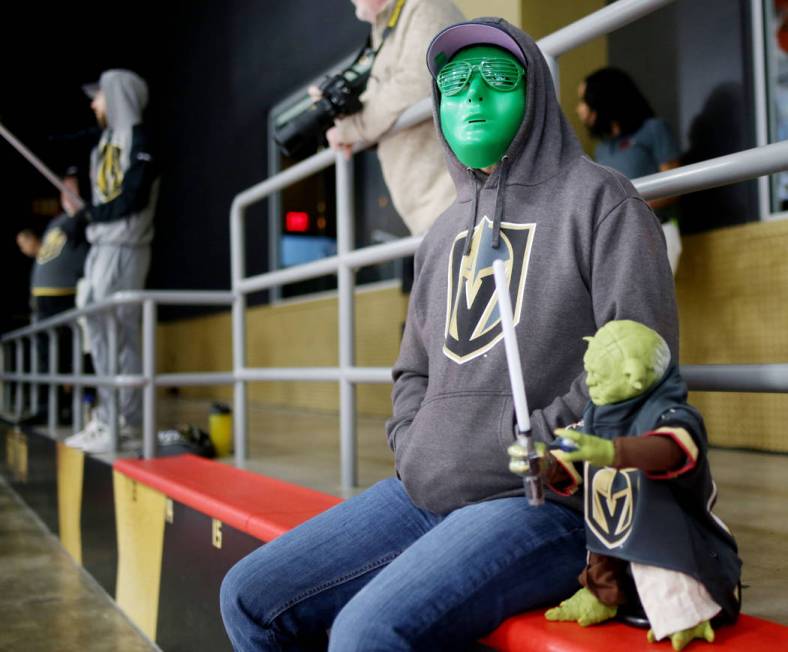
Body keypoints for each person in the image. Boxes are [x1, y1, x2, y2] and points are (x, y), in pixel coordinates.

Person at [220, 18, 677, 651]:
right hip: (422, 490)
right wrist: (417, 444)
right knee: (249, 595)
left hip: (544, 501)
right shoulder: (441, 234)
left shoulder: (604, 203)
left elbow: (640, 369)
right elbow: (412, 371)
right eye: (455, 85)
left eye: (497, 79)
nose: (473, 98)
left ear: (536, 91)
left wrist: (532, 448)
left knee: (366, 634)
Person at [509, 320, 741, 651]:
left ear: (633, 377)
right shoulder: (596, 414)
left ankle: (690, 613)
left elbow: (672, 449)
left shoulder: (672, 413)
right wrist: (543, 463)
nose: (589, 383)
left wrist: (609, 451)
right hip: (611, 523)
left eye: (598, 376)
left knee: (667, 573)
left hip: (666, 529)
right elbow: (570, 457)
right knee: (602, 554)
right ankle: (602, 596)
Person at [63, 69, 158, 453]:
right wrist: (84, 218)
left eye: (99, 96)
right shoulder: (101, 143)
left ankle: (127, 421)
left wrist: (93, 216)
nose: (94, 103)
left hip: (125, 248)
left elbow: (132, 196)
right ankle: (107, 416)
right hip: (100, 250)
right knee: (99, 335)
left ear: (117, 95)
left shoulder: (140, 139)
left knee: (121, 335)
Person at [318, 0, 463, 236]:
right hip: (432, 211)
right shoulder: (386, 26)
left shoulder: (423, 6)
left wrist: (352, 128)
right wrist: (351, 131)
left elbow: (415, 82)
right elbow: (387, 101)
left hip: (452, 199)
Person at [576, 67, 683, 274]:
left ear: (603, 99)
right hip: (614, 239)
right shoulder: (602, 148)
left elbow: (674, 187)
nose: (578, 109)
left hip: (655, 231)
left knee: (648, 304)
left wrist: (628, 205)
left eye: (584, 100)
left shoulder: (653, 129)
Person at [16, 170, 89, 421]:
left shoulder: (85, 218)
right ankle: (48, 407)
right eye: (63, 188)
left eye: (72, 188)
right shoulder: (56, 222)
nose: (67, 193)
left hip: (64, 296)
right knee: (46, 357)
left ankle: (66, 407)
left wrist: (82, 215)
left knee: (65, 356)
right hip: (43, 299)